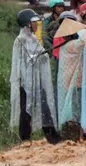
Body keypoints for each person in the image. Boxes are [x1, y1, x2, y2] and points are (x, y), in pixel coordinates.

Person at [10, 9, 60, 143]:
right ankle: (25, 139)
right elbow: (19, 63)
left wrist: (42, 56)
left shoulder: (33, 39)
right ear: (27, 24)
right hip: (25, 84)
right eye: (34, 22)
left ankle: (52, 138)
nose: (37, 25)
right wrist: (31, 59)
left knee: (45, 108)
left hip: (37, 82)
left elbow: (41, 55)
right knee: (25, 112)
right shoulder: (20, 41)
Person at [55, 10, 86, 134]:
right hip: (74, 82)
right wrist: (84, 29)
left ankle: (76, 132)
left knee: (75, 107)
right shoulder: (72, 45)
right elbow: (85, 41)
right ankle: (76, 133)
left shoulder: (66, 45)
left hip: (72, 81)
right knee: (76, 109)